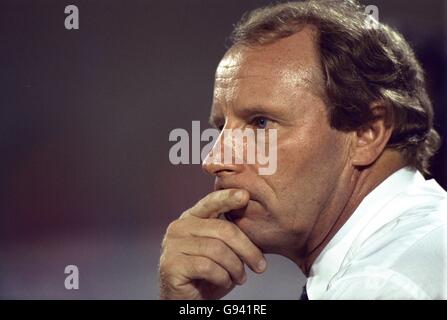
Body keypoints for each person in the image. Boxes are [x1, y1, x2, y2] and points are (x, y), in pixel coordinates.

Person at [158, 0, 447, 299]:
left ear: (366, 133)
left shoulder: (380, 283)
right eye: (221, 129)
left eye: (260, 123)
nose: (214, 160)